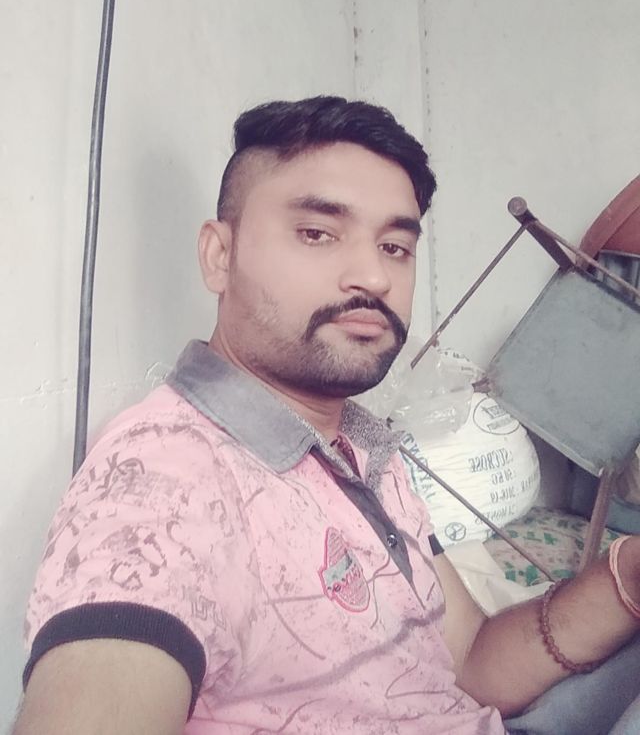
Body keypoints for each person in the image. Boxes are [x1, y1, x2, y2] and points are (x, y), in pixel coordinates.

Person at [12, 96, 640, 735]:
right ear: (219, 255)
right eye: (317, 233)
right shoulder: (162, 484)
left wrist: (625, 583)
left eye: (395, 246)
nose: (374, 275)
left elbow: (468, 662)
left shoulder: (363, 445)